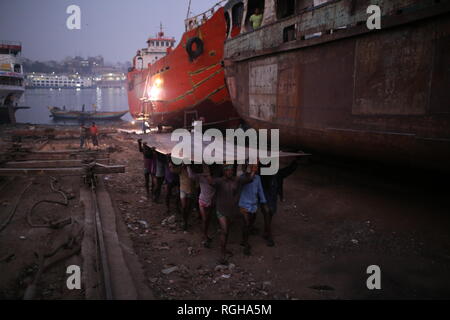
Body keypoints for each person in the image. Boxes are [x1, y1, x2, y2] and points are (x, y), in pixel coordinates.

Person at [208, 164, 255, 264]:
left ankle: (245, 243)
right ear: (224, 171)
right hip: (221, 210)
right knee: (224, 231)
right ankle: (222, 254)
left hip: (234, 210)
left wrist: (254, 169)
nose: (229, 171)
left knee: (246, 222)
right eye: (227, 170)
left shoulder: (237, 180)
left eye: (230, 170)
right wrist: (206, 169)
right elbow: (211, 182)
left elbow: (250, 179)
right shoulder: (219, 181)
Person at [260, 159, 299, 247]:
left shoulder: (277, 174)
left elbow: (289, 170)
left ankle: (266, 232)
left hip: (272, 196)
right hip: (265, 196)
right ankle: (269, 236)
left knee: (270, 215)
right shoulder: (263, 174)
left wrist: (296, 160)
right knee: (267, 214)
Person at [238, 163, 267, 256]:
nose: (256, 168)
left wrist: (263, 201)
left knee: (250, 223)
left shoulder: (257, 178)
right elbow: (248, 180)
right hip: (244, 205)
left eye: (256, 167)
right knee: (246, 224)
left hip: (253, 205)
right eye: (253, 167)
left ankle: (243, 239)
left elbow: (260, 190)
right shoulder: (242, 178)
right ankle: (245, 243)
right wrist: (253, 171)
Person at [187, 165, 216, 248]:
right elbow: (191, 176)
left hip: (210, 202)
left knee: (207, 220)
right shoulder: (201, 176)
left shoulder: (214, 178)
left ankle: (205, 235)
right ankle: (205, 237)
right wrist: (188, 166)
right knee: (205, 219)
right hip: (203, 201)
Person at [170, 164, 196, 231]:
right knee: (185, 207)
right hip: (184, 190)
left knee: (187, 207)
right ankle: (185, 222)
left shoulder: (192, 168)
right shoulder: (182, 168)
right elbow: (172, 170)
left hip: (189, 190)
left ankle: (185, 221)